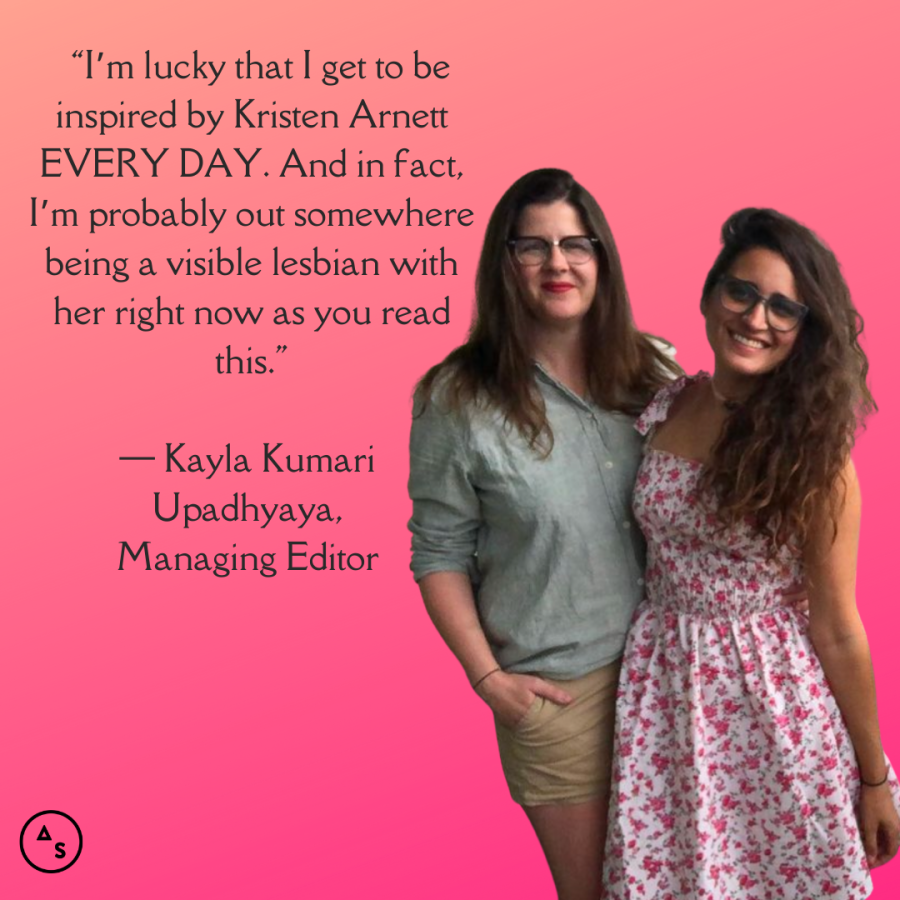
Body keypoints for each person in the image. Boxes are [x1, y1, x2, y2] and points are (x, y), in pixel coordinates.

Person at [603, 208, 900, 899]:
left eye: (783, 307)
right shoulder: (667, 404)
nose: (756, 318)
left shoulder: (816, 456)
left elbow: (837, 626)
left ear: (804, 330)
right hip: (663, 694)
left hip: (771, 705)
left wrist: (877, 776)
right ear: (710, 296)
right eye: (742, 292)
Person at [407, 168, 679, 900]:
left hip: (677, 674)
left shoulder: (657, 372)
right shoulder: (455, 398)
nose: (558, 264)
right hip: (560, 696)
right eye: (533, 247)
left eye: (575, 244)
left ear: (602, 258)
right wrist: (490, 681)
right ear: (505, 264)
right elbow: (438, 552)